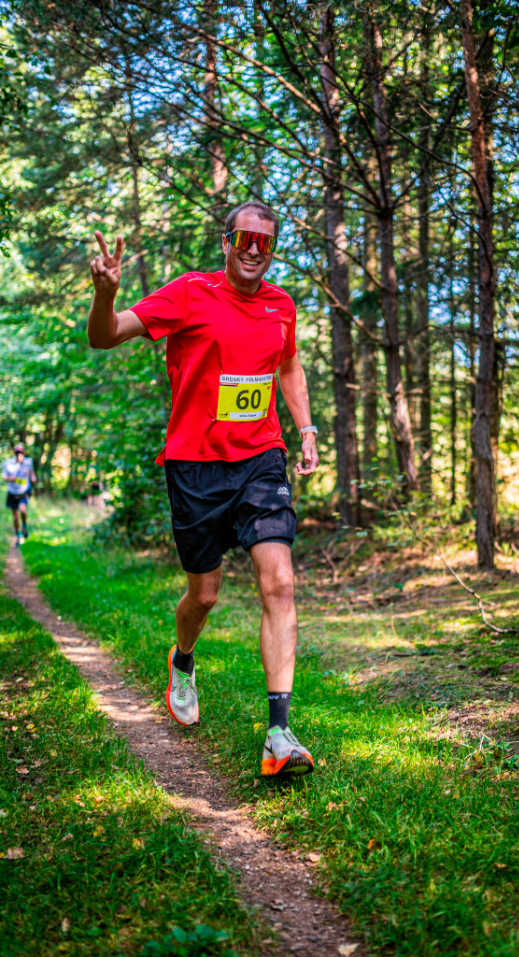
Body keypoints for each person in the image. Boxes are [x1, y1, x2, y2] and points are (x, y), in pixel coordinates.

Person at [87, 200, 320, 778]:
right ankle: (183, 658)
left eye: (264, 242)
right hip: (193, 464)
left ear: (271, 251)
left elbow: (288, 366)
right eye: (244, 238)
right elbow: (105, 336)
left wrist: (306, 428)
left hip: (261, 459)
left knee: (281, 581)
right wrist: (106, 294)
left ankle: (279, 733)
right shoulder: (190, 293)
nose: (253, 250)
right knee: (206, 595)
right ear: (226, 241)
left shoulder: (280, 305)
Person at [2, 443, 36, 547]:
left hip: (24, 490)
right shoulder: (8, 463)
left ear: (24, 453)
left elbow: (32, 473)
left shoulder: (28, 462)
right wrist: (9, 478)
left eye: (21, 453)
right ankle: (18, 536)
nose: (19, 455)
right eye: (17, 453)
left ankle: (24, 526)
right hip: (12, 491)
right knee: (15, 517)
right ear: (15, 453)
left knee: (23, 509)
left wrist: (33, 478)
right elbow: (3, 476)